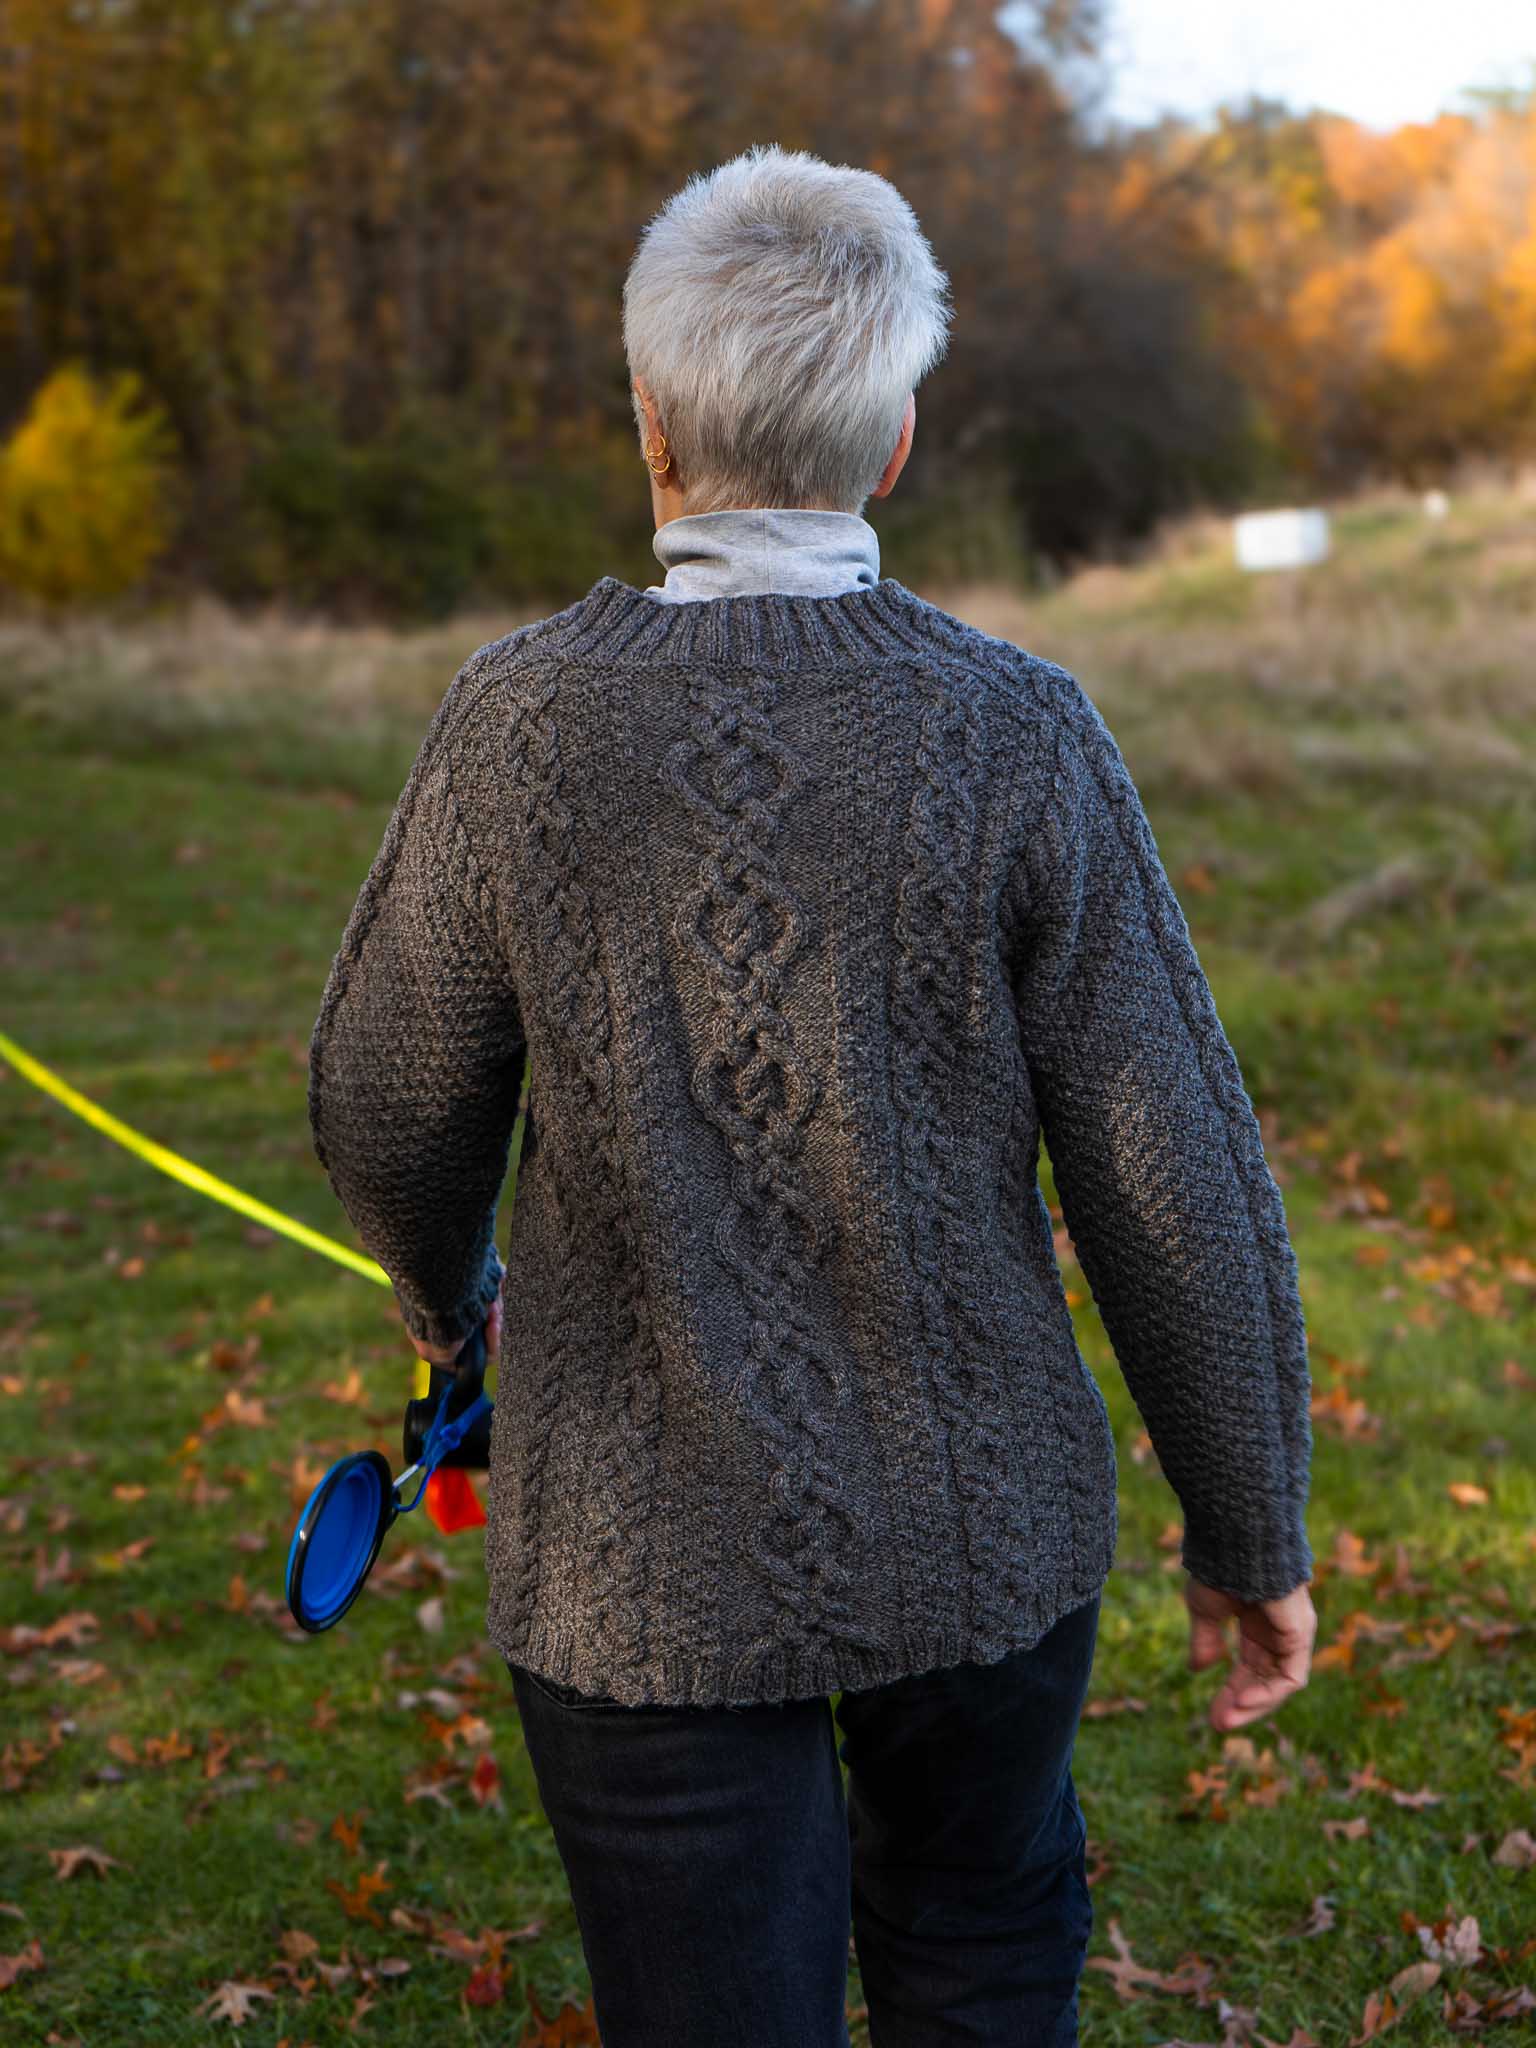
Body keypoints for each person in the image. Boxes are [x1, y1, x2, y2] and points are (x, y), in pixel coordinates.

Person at [306, 142, 1317, 2047]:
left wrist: (450, 1311)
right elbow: (1169, 1159)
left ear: (650, 423)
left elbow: (384, 1102)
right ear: (899, 438)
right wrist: (1247, 1530)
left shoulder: (518, 724)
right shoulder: (1022, 731)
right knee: (982, 1950)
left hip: (633, 1557)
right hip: (983, 1526)